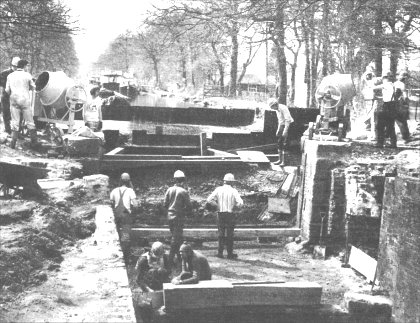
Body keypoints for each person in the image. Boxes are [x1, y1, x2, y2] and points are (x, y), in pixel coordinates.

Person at [206, 173, 243, 259]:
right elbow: (240, 203)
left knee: (221, 234)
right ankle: (230, 254)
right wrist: (235, 207)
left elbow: (208, 199)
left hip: (220, 214)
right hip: (230, 215)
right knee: (230, 234)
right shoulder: (234, 191)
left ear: (225, 181)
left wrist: (216, 205)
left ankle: (220, 253)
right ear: (231, 182)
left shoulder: (218, 189)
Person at [5, 59, 38, 149]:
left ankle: (13, 144)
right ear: (24, 66)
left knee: (15, 122)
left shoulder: (10, 75)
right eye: (27, 66)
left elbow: (7, 90)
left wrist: (13, 94)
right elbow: (33, 87)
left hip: (14, 99)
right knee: (30, 122)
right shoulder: (27, 75)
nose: (27, 67)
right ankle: (34, 143)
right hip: (24, 100)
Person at [164, 170, 192, 266]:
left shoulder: (169, 189)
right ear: (183, 180)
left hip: (170, 216)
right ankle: (170, 260)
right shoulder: (184, 191)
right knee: (175, 239)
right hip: (178, 217)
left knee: (177, 238)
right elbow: (189, 206)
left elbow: (165, 204)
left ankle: (180, 259)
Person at [110, 172, 137, 258]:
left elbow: (111, 203)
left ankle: (118, 252)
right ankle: (126, 256)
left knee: (117, 233)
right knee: (125, 235)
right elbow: (135, 204)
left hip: (117, 216)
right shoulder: (130, 191)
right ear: (129, 181)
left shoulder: (114, 190)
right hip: (126, 216)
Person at [268, 98, 294, 166]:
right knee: (279, 143)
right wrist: (278, 130)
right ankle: (280, 160)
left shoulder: (283, 108)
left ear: (275, 105)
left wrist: (285, 131)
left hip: (288, 125)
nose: (272, 109)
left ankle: (285, 162)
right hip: (282, 125)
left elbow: (287, 120)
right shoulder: (277, 110)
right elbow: (280, 121)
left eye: (272, 107)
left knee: (285, 143)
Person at [374, 74, 397, 148]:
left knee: (380, 125)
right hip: (392, 106)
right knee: (390, 126)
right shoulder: (392, 85)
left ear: (385, 79)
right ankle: (393, 143)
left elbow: (374, 88)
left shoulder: (386, 84)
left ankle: (380, 143)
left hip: (387, 106)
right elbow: (387, 95)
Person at [0, 56, 20, 134]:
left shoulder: (20, 74)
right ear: (12, 65)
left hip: (16, 97)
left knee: (17, 114)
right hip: (6, 96)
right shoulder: (4, 73)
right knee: (6, 113)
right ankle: (8, 130)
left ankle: (17, 132)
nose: (15, 68)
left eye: (17, 67)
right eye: (14, 66)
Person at [393, 71, 411, 143]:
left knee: (400, 121)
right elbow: (405, 96)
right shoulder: (402, 84)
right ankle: (405, 137)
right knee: (401, 121)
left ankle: (405, 136)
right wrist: (407, 103)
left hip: (393, 103)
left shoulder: (394, 83)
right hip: (399, 104)